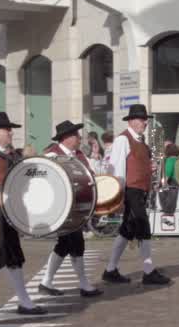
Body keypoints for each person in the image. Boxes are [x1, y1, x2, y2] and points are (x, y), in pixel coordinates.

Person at [0, 112, 46, 315]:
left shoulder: (10, 156)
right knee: (9, 256)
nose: (10, 132)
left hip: (8, 214)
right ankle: (23, 301)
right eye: (6, 129)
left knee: (7, 257)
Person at [104, 105, 170, 286]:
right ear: (131, 121)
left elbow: (139, 166)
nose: (145, 122)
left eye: (145, 119)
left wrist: (150, 169)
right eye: (141, 119)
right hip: (130, 191)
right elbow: (117, 169)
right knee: (143, 226)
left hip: (140, 191)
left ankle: (110, 270)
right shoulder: (122, 140)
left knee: (127, 231)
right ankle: (148, 272)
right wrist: (118, 196)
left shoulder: (142, 143)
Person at [37, 121, 104, 298]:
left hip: (77, 207)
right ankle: (83, 285)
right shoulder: (52, 154)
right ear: (66, 137)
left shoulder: (80, 154)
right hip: (61, 209)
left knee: (66, 244)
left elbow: (90, 174)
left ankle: (46, 282)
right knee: (75, 243)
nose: (79, 138)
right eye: (76, 135)